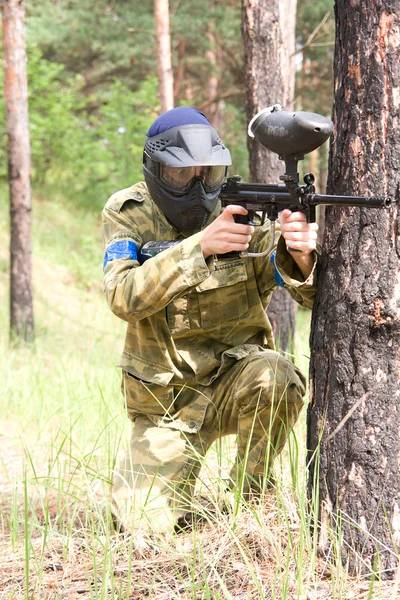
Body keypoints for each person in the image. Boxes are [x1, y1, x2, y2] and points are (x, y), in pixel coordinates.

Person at [102, 106, 319, 533]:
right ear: (156, 170)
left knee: (277, 374)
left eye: (209, 174)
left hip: (235, 384)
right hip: (166, 406)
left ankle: (251, 496)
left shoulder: (242, 214)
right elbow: (123, 296)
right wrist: (199, 247)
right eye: (183, 175)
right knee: (139, 529)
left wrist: (301, 253)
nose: (199, 187)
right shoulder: (128, 212)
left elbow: (310, 295)